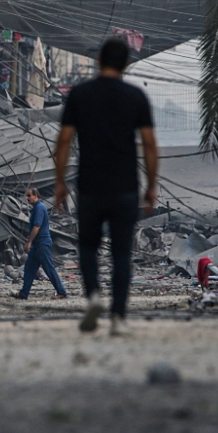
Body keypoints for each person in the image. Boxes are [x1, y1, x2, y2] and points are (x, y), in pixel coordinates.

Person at [54, 38, 158, 336]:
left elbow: (63, 141)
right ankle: (118, 318)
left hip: (89, 185)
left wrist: (60, 182)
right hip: (125, 186)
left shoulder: (80, 95)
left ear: (99, 60)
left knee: (87, 247)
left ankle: (94, 297)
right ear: (126, 64)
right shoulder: (135, 97)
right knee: (122, 254)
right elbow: (149, 144)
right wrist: (151, 185)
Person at [15, 188, 68, 300]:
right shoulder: (36, 208)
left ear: (36, 195)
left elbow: (37, 227)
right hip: (37, 245)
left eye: (29, 195)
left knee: (49, 268)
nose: (27, 198)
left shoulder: (39, 208)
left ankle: (61, 292)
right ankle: (24, 293)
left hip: (42, 244)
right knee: (29, 268)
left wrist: (28, 242)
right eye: (26, 196)